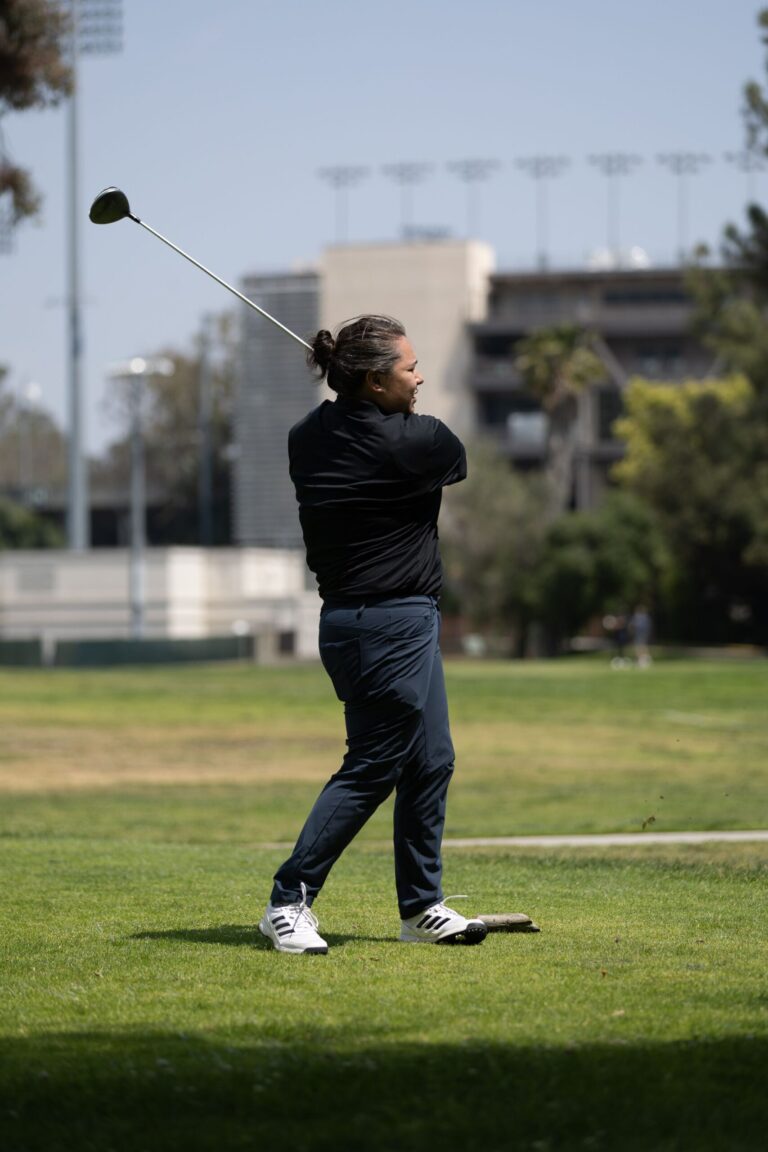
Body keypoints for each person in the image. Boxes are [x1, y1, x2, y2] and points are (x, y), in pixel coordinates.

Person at [258, 315, 487, 954]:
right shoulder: (416, 444)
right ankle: (288, 900)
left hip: (363, 622)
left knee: (431, 759)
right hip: (389, 626)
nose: (419, 379)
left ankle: (421, 907)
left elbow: (345, 424)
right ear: (375, 381)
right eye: (409, 369)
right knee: (374, 764)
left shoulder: (306, 436)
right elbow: (456, 459)